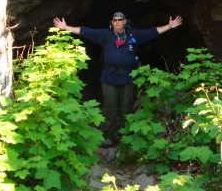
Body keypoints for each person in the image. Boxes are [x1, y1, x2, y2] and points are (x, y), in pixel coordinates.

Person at [53, 12, 182, 147]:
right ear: (112, 22)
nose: (117, 22)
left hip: (128, 76)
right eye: (115, 20)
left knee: (126, 106)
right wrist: (65, 27)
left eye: (120, 20)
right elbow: (85, 31)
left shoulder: (132, 34)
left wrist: (169, 26)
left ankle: (126, 134)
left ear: (125, 22)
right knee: (110, 107)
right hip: (109, 76)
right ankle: (108, 135)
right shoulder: (105, 34)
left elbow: (152, 32)